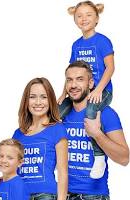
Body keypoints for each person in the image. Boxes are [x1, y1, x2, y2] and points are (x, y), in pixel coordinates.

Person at [58, 1, 115, 179]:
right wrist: (63, 93)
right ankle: (55, 155)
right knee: (57, 112)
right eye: (79, 16)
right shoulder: (76, 45)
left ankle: (99, 157)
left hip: (101, 91)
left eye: (88, 15)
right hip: (79, 92)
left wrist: (98, 90)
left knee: (91, 111)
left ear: (97, 18)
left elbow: (110, 68)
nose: (84, 19)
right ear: (75, 19)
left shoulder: (103, 41)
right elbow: (70, 72)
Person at [62, 61, 129, 199]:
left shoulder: (105, 113)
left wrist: (97, 134)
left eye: (80, 79)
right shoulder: (61, 115)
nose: (73, 85)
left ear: (91, 83)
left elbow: (124, 158)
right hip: (63, 194)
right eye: (69, 80)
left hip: (94, 196)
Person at [12, 77, 68, 200]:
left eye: (44, 97)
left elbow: (63, 173)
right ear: (26, 101)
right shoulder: (18, 134)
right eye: (32, 97)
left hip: (45, 195)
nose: (38, 102)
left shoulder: (57, 129)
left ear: (51, 100)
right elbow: (13, 168)